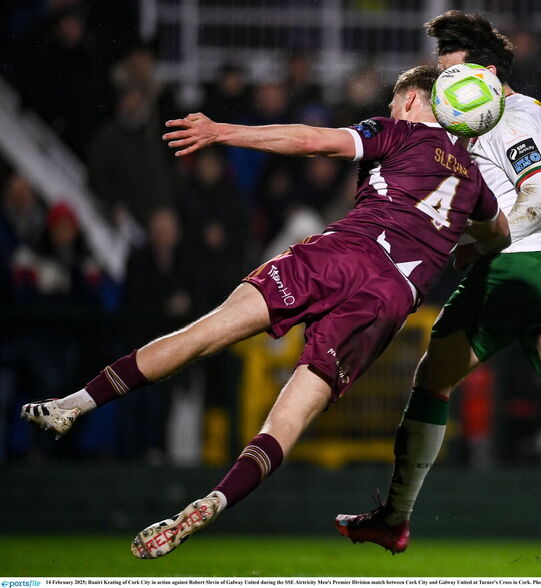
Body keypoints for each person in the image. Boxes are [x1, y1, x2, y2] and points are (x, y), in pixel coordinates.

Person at [20, 65, 509, 559]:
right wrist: (459, 248)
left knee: (203, 334)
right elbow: (501, 234)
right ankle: (216, 498)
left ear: (409, 101)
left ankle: (75, 405)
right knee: (288, 419)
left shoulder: (397, 131)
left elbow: (310, 139)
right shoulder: (475, 182)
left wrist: (222, 131)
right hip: (390, 299)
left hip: (344, 253)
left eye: (392, 102)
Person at [335, 10, 541, 554]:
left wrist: (479, 245)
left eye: (452, 70)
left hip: (518, 266)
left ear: (486, 70)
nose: (444, 85)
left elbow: (539, 194)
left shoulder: (508, 118)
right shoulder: (511, 113)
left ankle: (395, 516)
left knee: (432, 380)